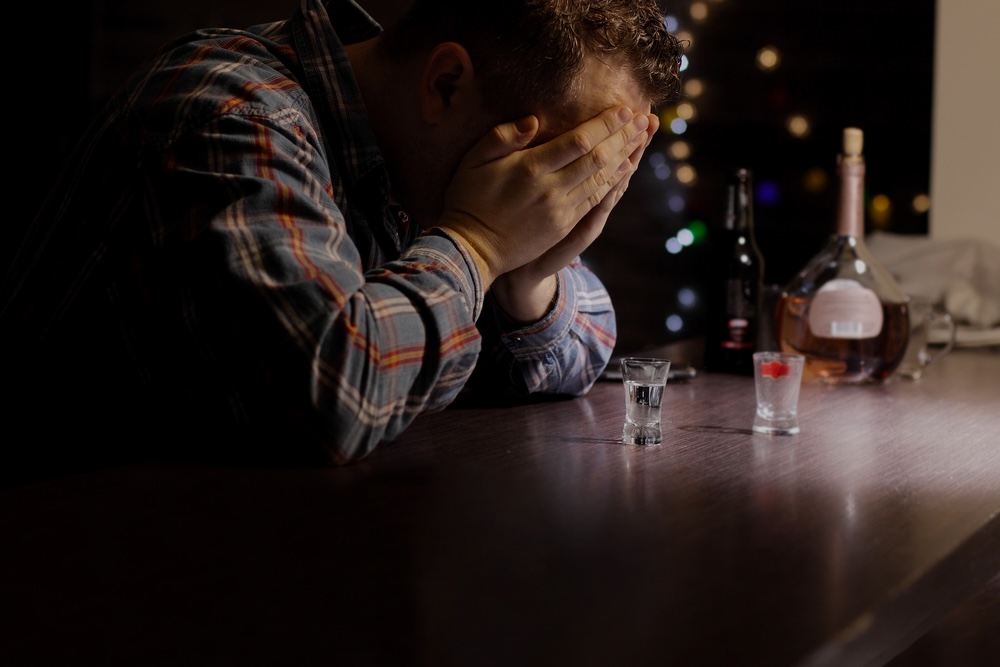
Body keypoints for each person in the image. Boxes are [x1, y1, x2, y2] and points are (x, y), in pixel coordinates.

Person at [1, 0, 682, 477]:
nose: (558, 195)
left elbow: (590, 341)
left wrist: (528, 275)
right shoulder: (226, 114)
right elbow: (334, 390)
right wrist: (477, 244)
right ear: (446, 85)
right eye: (558, 161)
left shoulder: (417, 161)